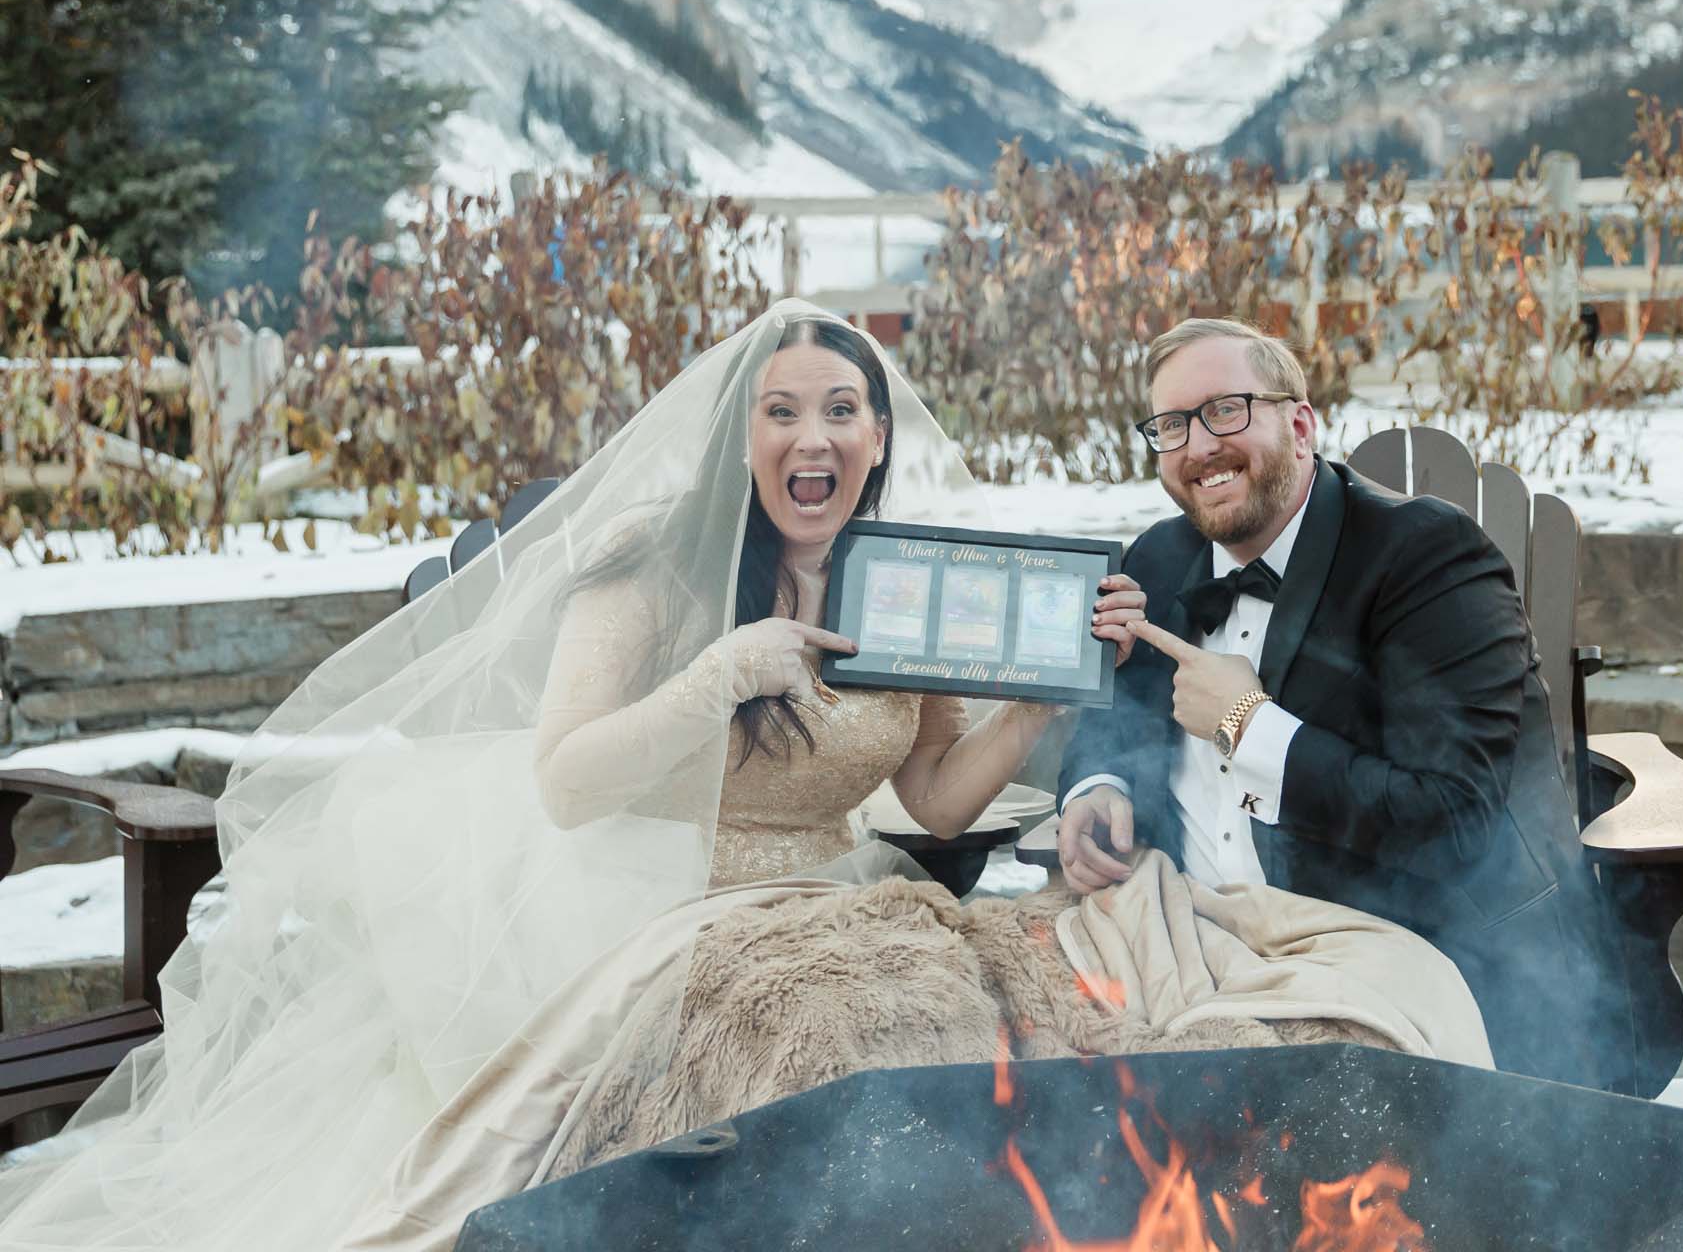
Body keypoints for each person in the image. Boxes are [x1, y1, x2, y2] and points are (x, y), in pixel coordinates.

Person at [0, 302, 1489, 1252]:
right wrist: (721, 677)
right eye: (783, 412)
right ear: (744, 437)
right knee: (824, 1054)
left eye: (842, 412)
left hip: (843, 893)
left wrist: (1048, 707)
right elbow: (573, 784)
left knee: (1008, 1031)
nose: (814, 436)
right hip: (662, 898)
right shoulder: (646, 586)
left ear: (878, 435)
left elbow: (941, 805)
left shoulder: (901, 591)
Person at [1056, 317, 1623, 1085]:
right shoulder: (1161, 556)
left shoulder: (1426, 560)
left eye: (1226, 410)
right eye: (1171, 426)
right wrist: (1098, 787)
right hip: (1182, 946)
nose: (1198, 446)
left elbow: (1453, 822)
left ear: (1299, 425)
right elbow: (1115, 710)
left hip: (1387, 956)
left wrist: (1246, 725)